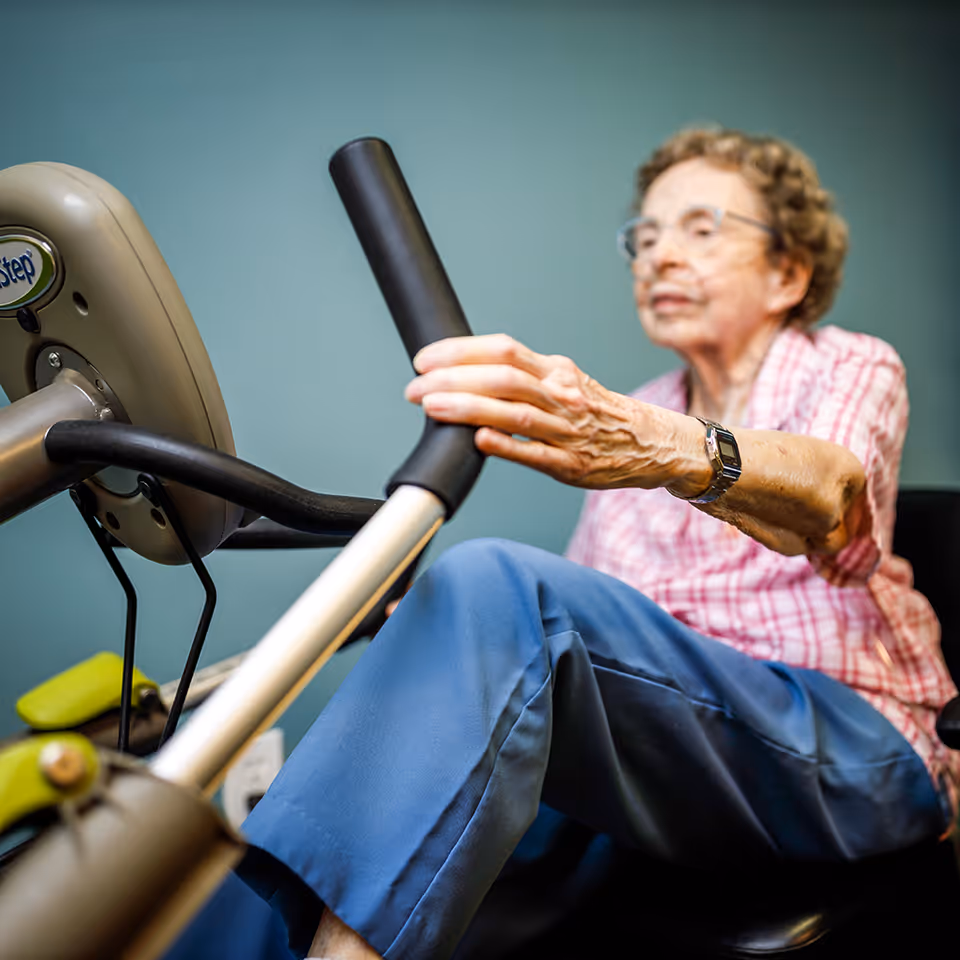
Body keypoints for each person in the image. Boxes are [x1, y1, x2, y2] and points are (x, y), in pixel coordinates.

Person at [183, 128, 960, 960]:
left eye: (701, 229)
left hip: (853, 749)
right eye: (646, 237)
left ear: (788, 273)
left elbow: (829, 497)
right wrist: (452, 643)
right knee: (386, 751)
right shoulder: (639, 405)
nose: (658, 257)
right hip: (680, 763)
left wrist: (656, 447)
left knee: (499, 587)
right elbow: (585, 643)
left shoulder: (843, 365)